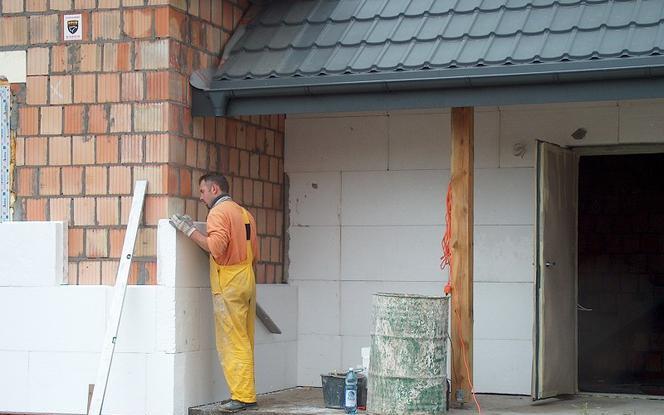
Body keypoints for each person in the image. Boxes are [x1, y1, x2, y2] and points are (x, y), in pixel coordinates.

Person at [170, 173, 258, 412]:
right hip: (246, 278)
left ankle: (242, 397)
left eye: (202, 191)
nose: (201, 197)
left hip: (228, 281)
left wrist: (188, 230)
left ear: (215, 189)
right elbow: (255, 251)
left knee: (232, 340)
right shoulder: (244, 213)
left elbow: (216, 248)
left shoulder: (218, 213)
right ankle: (246, 393)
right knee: (245, 338)